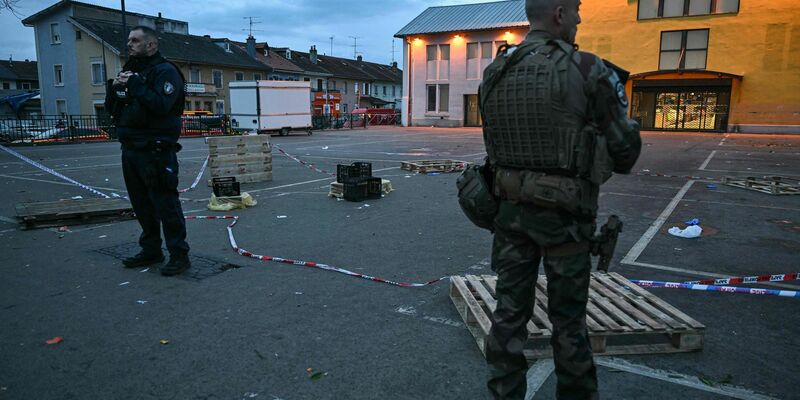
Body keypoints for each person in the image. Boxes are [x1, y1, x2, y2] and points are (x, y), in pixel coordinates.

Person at [478, 1, 642, 399]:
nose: (580, 19)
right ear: (558, 13)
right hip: (566, 220)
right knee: (568, 323)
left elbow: (493, 146)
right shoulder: (586, 68)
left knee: (508, 318)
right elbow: (626, 154)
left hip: (510, 215)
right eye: (577, 10)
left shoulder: (496, 70)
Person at [105, 25, 191, 276]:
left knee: (166, 203)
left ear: (151, 45)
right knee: (141, 204)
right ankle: (151, 249)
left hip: (156, 149)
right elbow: (114, 108)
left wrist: (135, 84)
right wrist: (116, 88)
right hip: (131, 147)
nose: (129, 44)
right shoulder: (131, 70)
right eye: (129, 40)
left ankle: (179, 254)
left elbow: (162, 104)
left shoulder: (166, 72)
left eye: (135, 40)